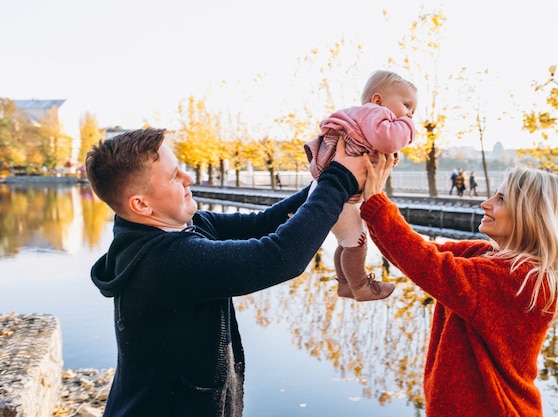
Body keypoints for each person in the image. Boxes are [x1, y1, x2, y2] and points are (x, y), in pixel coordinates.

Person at [85, 127, 367, 417]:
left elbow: (265, 224)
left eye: (180, 169)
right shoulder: (164, 262)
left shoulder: (182, 226)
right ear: (141, 204)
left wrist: (326, 179)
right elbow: (281, 257)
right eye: (173, 177)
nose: (188, 179)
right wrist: (339, 178)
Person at [360, 154, 558, 417]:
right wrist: (369, 205)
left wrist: (377, 202)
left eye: (501, 199)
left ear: (529, 215)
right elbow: (413, 251)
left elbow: (426, 263)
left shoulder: (520, 279)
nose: (485, 204)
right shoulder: (484, 254)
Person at [304, 70, 416, 301]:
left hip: (333, 193)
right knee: (358, 242)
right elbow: (388, 139)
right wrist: (407, 127)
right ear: (378, 100)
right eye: (406, 105)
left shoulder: (364, 120)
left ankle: (345, 284)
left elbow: (379, 146)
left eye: (412, 111)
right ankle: (361, 286)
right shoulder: (376, 113)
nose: (409, 115)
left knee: (346, 242)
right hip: (339, 198)